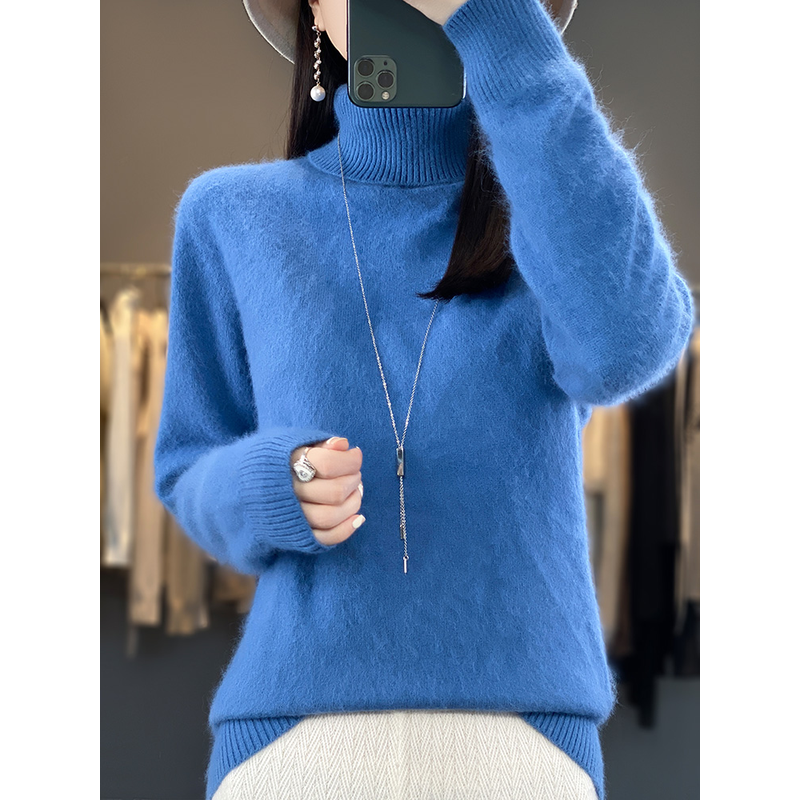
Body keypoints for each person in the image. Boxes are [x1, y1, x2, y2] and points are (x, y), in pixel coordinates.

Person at [153, 1, 695, 798]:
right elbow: (186, 467)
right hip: (293, 747)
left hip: (524, 748)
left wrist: (500, 29)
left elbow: (629, 346)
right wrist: (274, 482)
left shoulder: (552, 209)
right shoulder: (230, 214)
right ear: (311, 11)